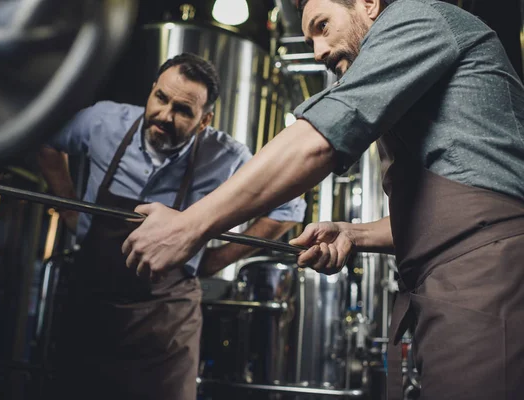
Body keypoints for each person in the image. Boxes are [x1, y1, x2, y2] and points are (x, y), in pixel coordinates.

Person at [122, 0, 524, 399]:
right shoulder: (417, 84)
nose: (318, 52)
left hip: (487, 274)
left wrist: (190, 224)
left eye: (322, 25)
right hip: (455, 277)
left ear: (369, 4)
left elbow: (319, 139)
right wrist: (353, 233)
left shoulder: (418, 17)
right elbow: (460, 210)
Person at [38, 53, 306, 399]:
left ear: (205, 119)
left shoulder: (226, 156)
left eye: (183, 110)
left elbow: (289, 208)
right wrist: (68, 211)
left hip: (166, 325)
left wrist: (217, 259)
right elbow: (48, 142)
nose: (165, 115)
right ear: (151, 91)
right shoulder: (104, 121)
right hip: (91, 309)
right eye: (161, 98)